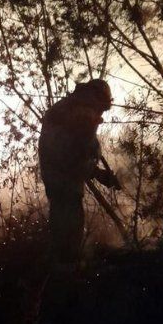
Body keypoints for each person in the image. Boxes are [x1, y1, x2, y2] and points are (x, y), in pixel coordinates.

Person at [38, 79, 120, 264]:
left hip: (57, 178)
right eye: (102, 109)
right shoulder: (81, 114)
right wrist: (98, 173)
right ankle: (63, 277)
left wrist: (96, 172)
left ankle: (58, 271)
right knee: (68, 236)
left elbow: (73, 154)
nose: (101, 114)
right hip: (65, 182)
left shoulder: (70, 108)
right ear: (97, 99)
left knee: (62, 231)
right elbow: (73, 156)